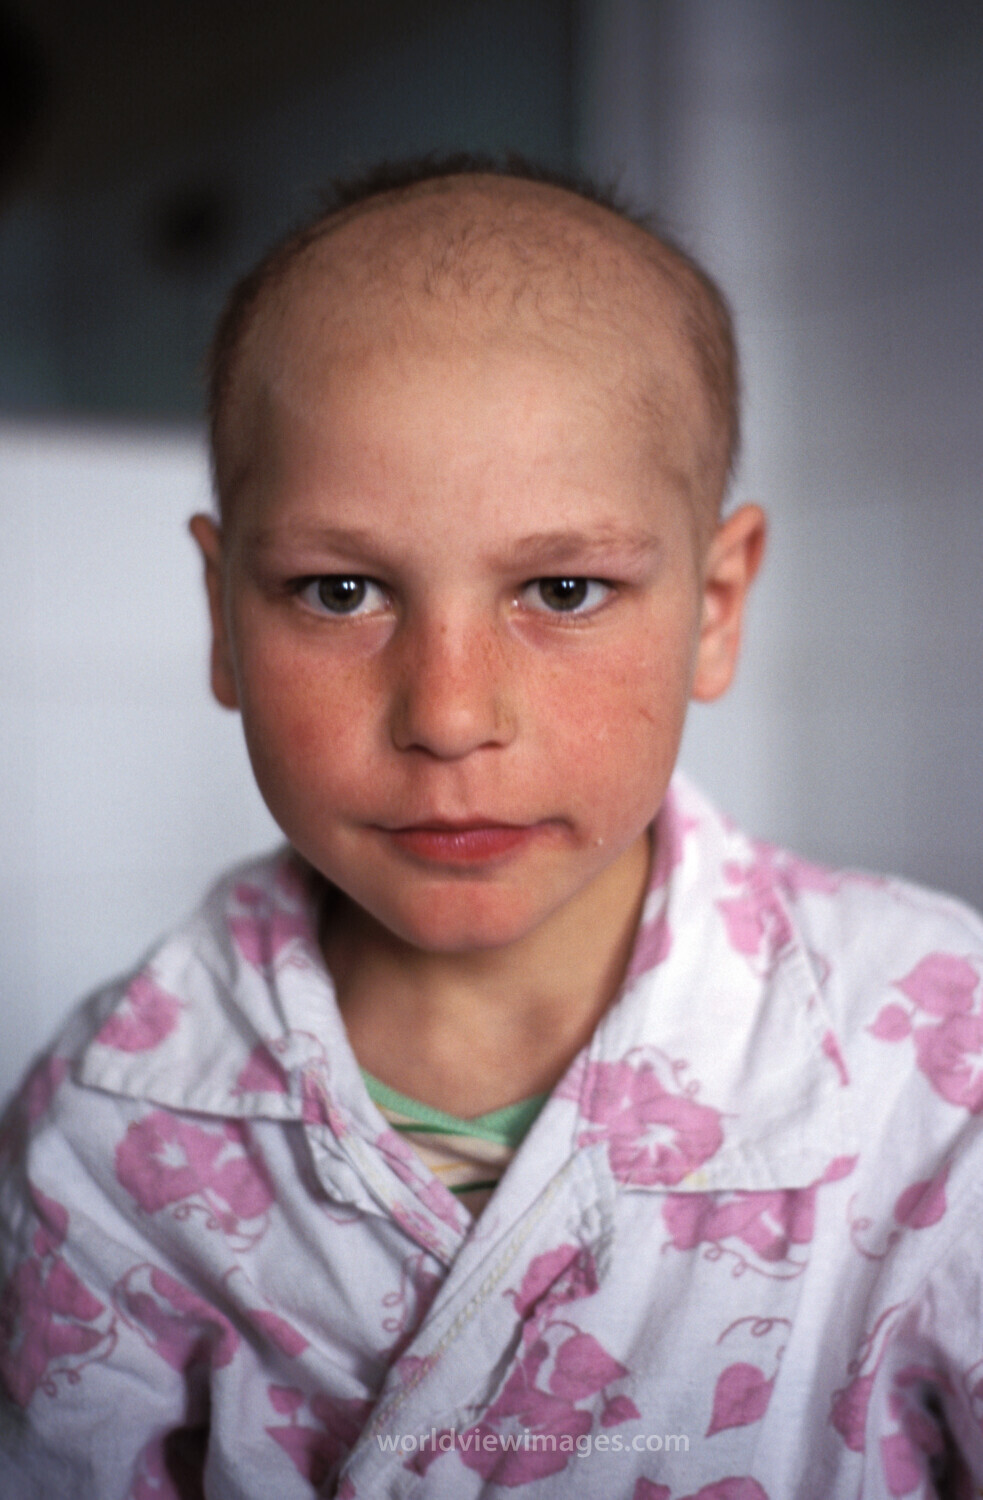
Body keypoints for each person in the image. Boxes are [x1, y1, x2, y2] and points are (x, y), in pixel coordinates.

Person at [2, 156, 982, 1500]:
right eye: (339, 590)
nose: (450, 714)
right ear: (223, 612)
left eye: (564, 588)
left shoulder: (943, 1064)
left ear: (715, 605)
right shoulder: (106, 1116)